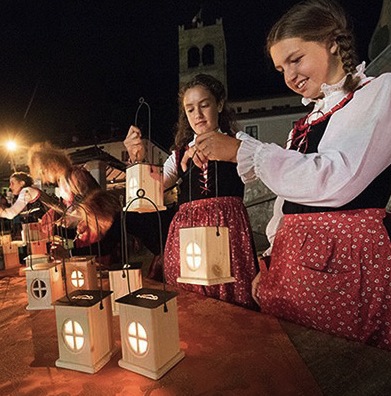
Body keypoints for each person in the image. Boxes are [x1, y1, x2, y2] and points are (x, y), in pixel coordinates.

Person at [195, 0, 391, 349]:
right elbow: (286, 204)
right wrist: (269, 257)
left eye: (296, 59)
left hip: (349, 261)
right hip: (294, 265)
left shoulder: (378, 93)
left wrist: (244, 151)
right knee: (296, 356)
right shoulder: (304, 123)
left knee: (345, 362)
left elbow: (337, 179)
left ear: (332, 42)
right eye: (281, 68)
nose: (290, 77)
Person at [124, 74, 259, 310]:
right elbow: (151, 189)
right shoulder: (179, 155)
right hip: (188, 234)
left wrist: (233, 151)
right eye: (190, 109)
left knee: (231, 294)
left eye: (204, 105)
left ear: (218, 104)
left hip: (226, 228)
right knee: (192, 300)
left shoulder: (238, 142)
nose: (197, 114)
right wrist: (138, 160)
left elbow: (265, 165)